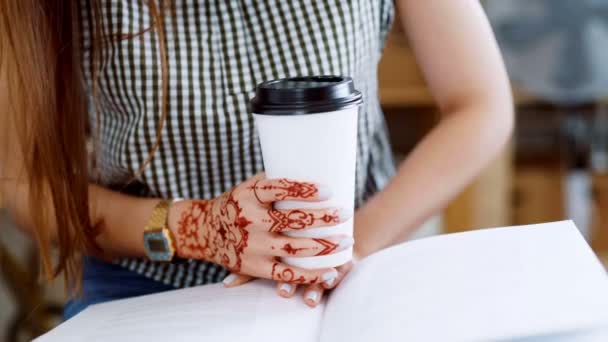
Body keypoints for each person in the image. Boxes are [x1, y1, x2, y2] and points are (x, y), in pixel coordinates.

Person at [0, 0, 513, 320]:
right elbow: (22, 181)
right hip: (146, 274)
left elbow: (480, 103)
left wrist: (350, 243)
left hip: (352, 264)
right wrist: (197, 228)